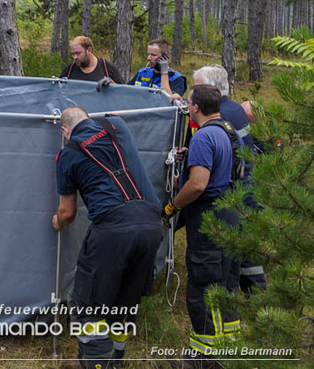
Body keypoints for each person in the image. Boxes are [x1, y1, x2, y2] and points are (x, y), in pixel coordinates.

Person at [53, 107, 162, 368]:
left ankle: (95, 363)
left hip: (113, 228)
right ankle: (115, 360)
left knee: (86, 304)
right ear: (89, 119)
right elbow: (112, 113)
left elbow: (67, 212)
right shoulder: (117, 126)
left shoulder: (67, 154)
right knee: (125, 300)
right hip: (151, 223)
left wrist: (57, 223)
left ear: (65, 132)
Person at [163, 85, 242, 367]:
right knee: (227, 287)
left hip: (209, 223)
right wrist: (193, 159)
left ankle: (203, 362)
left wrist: (172, 207)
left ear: (195, 108)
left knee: (204, 291)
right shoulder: (228, 130)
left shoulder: (203, 137)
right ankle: (230, 352)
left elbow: (197, 185)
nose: (186, 105)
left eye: (187, 102)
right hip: (231, 217)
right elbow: (239, 171)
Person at [189, 66, 268, 294]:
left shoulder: (223, 116)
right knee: (240, 251)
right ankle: (253, 298)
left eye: (198, 86)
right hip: (243, 189)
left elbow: (224, 161)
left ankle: (257, 298)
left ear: (212, 90)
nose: (194, 91)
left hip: (238, 194)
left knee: (241, 252)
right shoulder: (232, 109)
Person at [59, 36, 124, 84]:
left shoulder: (106, 67)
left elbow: (124, 92)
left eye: (78, 53)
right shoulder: (69, 70)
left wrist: (111, 84)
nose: (75, 57)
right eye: (73, 54)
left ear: (89, 50)